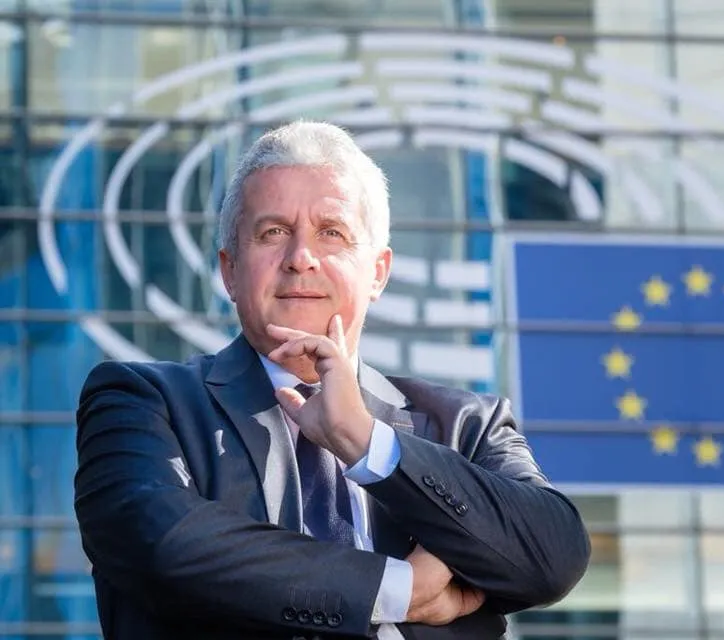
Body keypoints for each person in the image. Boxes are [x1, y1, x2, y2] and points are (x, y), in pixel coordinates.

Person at [73, 120, 591, 639]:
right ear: (230, 271)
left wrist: (366, 442)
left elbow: (555, 556)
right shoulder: (142, 403)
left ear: (378, 273)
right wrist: (398, 589)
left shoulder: (466, 427)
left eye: (332, 233)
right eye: (274, 232)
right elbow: (162, 543)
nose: (301, 258)